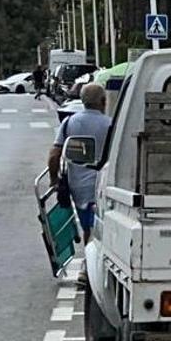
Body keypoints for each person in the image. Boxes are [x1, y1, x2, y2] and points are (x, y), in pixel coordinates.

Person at [48, 82, 112, 290]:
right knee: (97, 227)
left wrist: (55, 180)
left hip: (78, 186)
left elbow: (54, 154)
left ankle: (89, 266)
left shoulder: (69, 123)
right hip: (105, 182)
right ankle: (90, 268)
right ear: (103, 102)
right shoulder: (111, 125)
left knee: (89, 226)